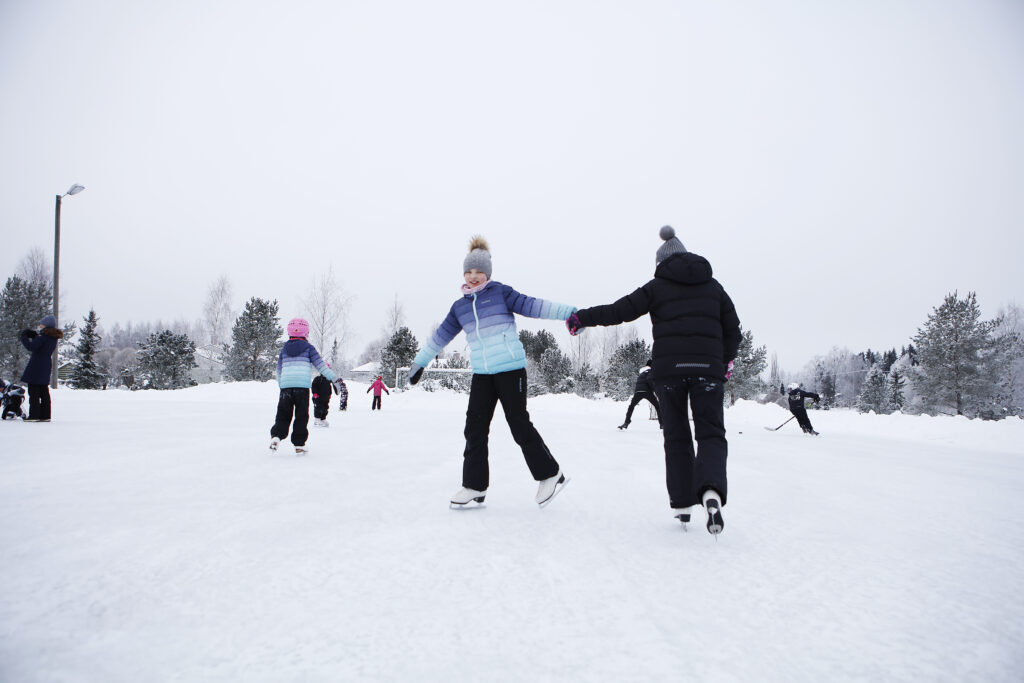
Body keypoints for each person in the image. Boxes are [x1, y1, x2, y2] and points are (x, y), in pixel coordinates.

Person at [566, 226, 740, 534]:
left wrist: (583, 317)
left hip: (670, 370)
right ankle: (711, 491)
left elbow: (620, 310)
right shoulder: (714, 287)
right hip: (708, 371)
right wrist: (725, 361)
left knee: (677, 437)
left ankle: (683, 504)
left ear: (661, 263)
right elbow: (733, 330)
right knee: (711, 434)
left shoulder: (657, 286)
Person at [407, 236, 576, 508]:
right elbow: (440, 337)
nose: (473, 277)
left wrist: (570, 313)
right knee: (474, 427)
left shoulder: (500, 293)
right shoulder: (460, 306)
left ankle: (550, 475)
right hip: (483, 374)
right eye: (469, 271)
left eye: (479, 272)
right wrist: (419, 362)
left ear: (487, 273)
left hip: (510, 370)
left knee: (519, 424)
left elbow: (534, 305)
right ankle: (474, 486)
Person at [270, 318, 342, 454]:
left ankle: (276, 436)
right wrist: (334, 379)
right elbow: (321, 366)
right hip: (302, 388)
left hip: (286, 387)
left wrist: (282, 385)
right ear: (306, 332)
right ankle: (299, 444)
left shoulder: (285, 348)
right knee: (301, 415)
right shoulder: (309, 348)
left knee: (283, 413)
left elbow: (278, 370)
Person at [20, 315, 63, 422]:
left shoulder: (43, 337)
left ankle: (34, 415)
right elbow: (41, 345)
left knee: (33, 391)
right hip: (46, 365)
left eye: (41, 324)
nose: (39, 326)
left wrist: (24, 337)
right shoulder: (52, 338)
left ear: (46, 326)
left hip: (36, 365)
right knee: (43, 390)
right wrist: (36, 336)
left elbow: (32, 347)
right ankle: (45, 415)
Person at [619, 362, 661, 430]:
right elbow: (649, 380)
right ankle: (662, 424)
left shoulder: (642, 373)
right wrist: (655, 390)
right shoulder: (650, 371)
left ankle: (626, 422)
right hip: (647, 392)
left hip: (638, 391)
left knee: (631, 406)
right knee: (657, 406)